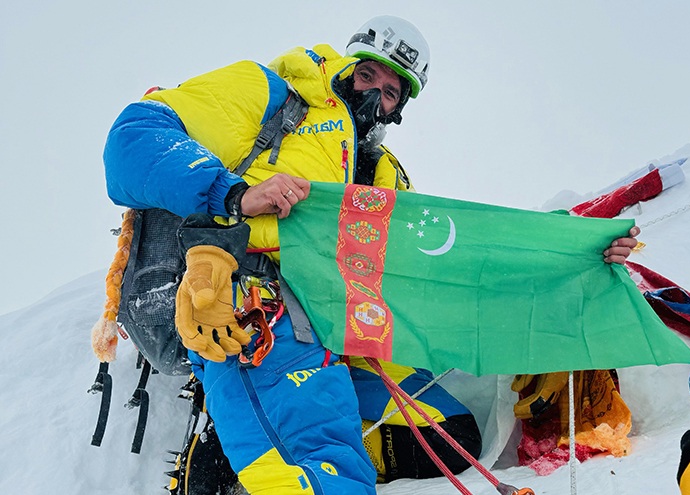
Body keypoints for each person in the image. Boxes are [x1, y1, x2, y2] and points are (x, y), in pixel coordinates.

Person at [104, 15, 640, 495]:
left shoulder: (383, 177)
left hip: (341, 327)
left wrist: (573, 252)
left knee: (452, 435)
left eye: (391, 92)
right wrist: (231, 193)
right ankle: (268, 453)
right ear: (348, 64)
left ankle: (244, 450)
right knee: (325, 466)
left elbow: (455, 257)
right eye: (368, 77)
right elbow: (135, 134)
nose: (374, 96)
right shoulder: (276, 95)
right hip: (250, 296)